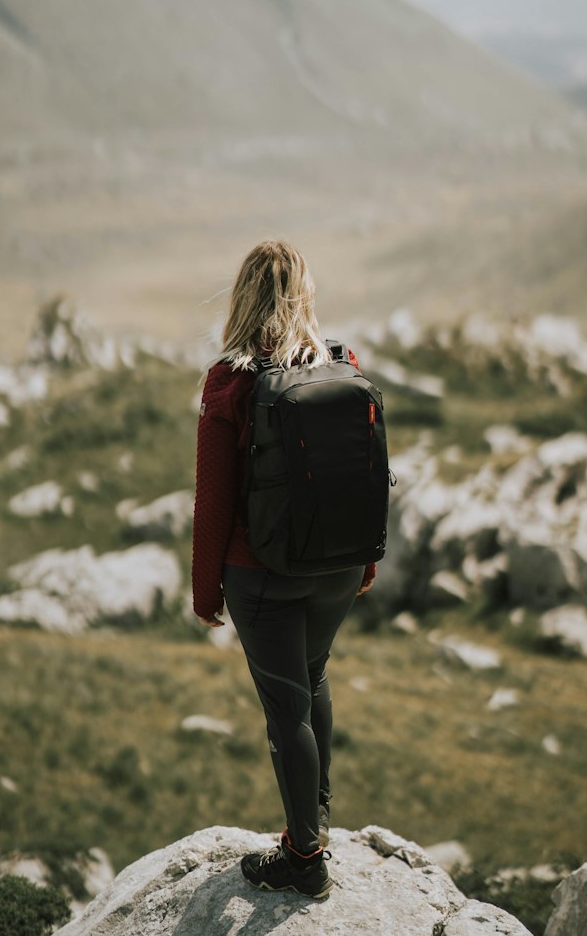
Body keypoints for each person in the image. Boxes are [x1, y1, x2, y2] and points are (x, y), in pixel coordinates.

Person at [192, 239, 376, 901]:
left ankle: (304, 857)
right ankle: (316, 818)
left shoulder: (230, 382)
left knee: (284, 712)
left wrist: (205, 590)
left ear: (243, 297)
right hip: (338, 566)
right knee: (314, 675)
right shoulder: (340, 364)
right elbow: (365, 473)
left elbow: (213, 501)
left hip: (261, 574)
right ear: (304, 294)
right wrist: (367, 563)